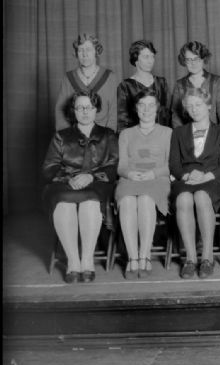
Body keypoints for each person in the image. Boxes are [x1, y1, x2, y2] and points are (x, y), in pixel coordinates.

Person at [42, 91, 118, 283]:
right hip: (64, 184)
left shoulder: (107, 135)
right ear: (73, 111)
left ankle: (87, 261)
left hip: (97, 183)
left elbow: (113, 165)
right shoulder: (61, 136)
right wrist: (69, 179)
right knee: (64, 204)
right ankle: (73, 262)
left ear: (96, 109)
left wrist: (90, 176)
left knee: (90, 204)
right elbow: (49, 167)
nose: (85, 112)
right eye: (80, 108)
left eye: (89, 107)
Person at [115, 89, 172, 279]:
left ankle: (145, 255)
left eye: (151, 105)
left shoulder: (168, 133)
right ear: (135, 108)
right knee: (128, 201)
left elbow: (171, 165)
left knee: (146, 200)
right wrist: (130, 173)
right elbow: (121, 166)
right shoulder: (126, 134)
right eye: (141, 105)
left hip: (157, 179)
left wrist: (152, 173)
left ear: (157, 108)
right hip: (131, 178)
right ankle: (132, 258)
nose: (146, 110)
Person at [169, 88, 220, 279]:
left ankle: (207, 257)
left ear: (209, 106)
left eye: (198, 104)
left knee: (202, 197)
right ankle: (191, 259)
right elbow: (174, 165)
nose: (194, 109)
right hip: (186, 180)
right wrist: (186, 176)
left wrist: (204, 176)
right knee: (184, 198)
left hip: (210, 180)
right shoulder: (178, 132)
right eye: (190, 106)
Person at [55, 34, 118, 131]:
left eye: (88, 49)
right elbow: (60, 110)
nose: (85, 54)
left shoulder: (109, 77)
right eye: (80, 50)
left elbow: (114, 111)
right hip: (75, 134)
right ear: (76, 53)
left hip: (103, 134)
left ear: (96, 51)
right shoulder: (68, 78)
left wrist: (108, 136)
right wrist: (66, 136)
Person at [170, 41, 220, 128]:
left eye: (197, 59)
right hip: (187, 136)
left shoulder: (216, 82)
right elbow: (175, 116)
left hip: (212, 135)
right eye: (189, 60)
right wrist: (180, 137)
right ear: (184, 61)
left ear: (203, 59)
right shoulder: (179, 85)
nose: (193, 63)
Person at [117, 40, 170, 133]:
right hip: (136, 139)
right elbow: (122, 121)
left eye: (152, 57)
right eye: (146, 57)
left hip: (161, 137)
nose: (151, 61)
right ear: (136, 59)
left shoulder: (161, 82)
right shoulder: (125, 86)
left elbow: (168, 115)